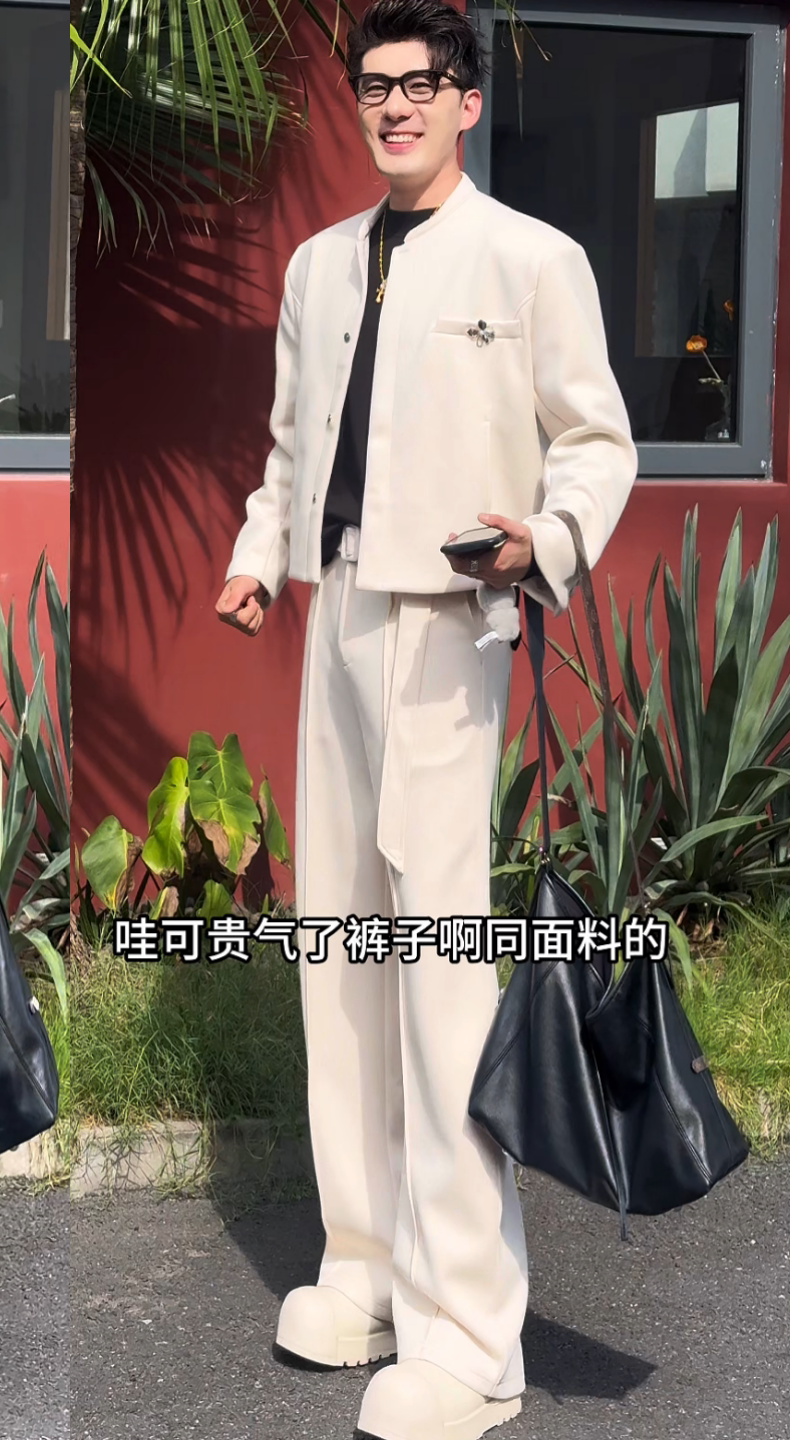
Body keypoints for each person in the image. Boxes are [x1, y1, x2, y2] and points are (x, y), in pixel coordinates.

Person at [215, 3, 635, 1438]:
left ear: (466, 101)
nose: (393, 104)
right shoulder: (321, 262)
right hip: (337, 608)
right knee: (341, 945)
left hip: (454, 622)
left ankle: (470, 1338)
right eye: (374, 85)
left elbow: (597, 441)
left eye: (422, 83)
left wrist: (548, 539)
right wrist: (258, 555)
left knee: (441, 965)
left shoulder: (533, 259)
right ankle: (365, 1266)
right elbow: (290, 444)